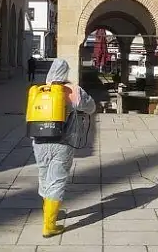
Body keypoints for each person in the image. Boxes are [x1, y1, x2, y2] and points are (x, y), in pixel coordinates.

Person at [33, 58, 96, 237]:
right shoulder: (72, 90)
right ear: (65, 73)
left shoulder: (39, 90)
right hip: (63, 142)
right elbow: (91, 107)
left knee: (44, 176)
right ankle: (49, 225)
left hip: (39, 141)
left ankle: (49, 211)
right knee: (57, 180)